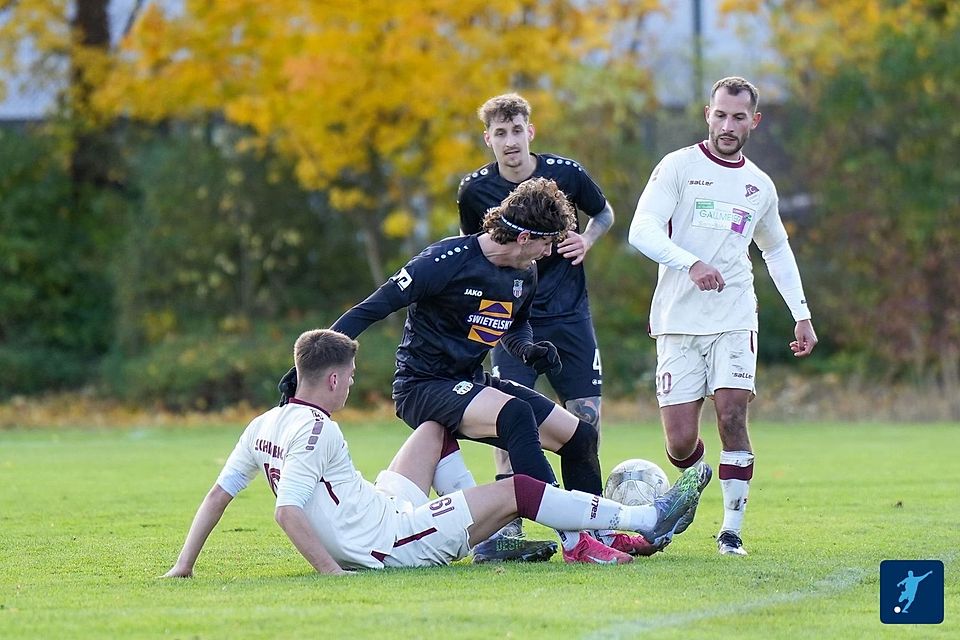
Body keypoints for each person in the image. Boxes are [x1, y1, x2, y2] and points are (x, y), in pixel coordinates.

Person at [280, 178, 669, 564]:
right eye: (547, 242)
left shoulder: (525, 273)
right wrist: (305, 370)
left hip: (469, 381)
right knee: (516, 415)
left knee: (580, 437)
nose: (550, 252)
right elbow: (371, 308)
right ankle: (574, 541)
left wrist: (529, 350)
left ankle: (597, 533)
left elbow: (514, 326)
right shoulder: (444, 262)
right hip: (422, 385)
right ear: (523, 238)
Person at [163, 329, 703, 576]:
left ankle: (483, 531)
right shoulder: (316, 432)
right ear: (331, 377)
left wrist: (182, 569)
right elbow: (288, 512)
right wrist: (334, 575)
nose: (351, 385)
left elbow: (218, 495)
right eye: (349, 377)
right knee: (517, 489)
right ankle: (645, 517)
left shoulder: (264, 422)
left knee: (434, 425)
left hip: (378, 507)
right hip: (390, 541)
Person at [628, 76, 818, 557]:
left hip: (735, 315)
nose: (727, 125)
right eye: (720, 114)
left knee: (732, 414)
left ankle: (731, 530)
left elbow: (777, 251)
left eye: (738, 117)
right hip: (677, 321)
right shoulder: (678, 166)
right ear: (707, 114)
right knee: (680, 444)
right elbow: (641, 230)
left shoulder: (759, 185)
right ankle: (692, 482)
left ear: (753, 122)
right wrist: (688, 263)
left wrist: (801, 313)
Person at [457, 93, 615, 555]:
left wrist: (586, 238)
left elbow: (604, 213)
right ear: (488, 139)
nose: (510, 141)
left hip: (569, 316)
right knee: (505, 419)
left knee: (585, 415)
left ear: (531, 131)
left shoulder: (566, 174)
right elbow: (477, 249)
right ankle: (510, 529)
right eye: (500, 133)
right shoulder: (474, 191)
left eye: (517, 130)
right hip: (507, 318)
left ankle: (592, 521)